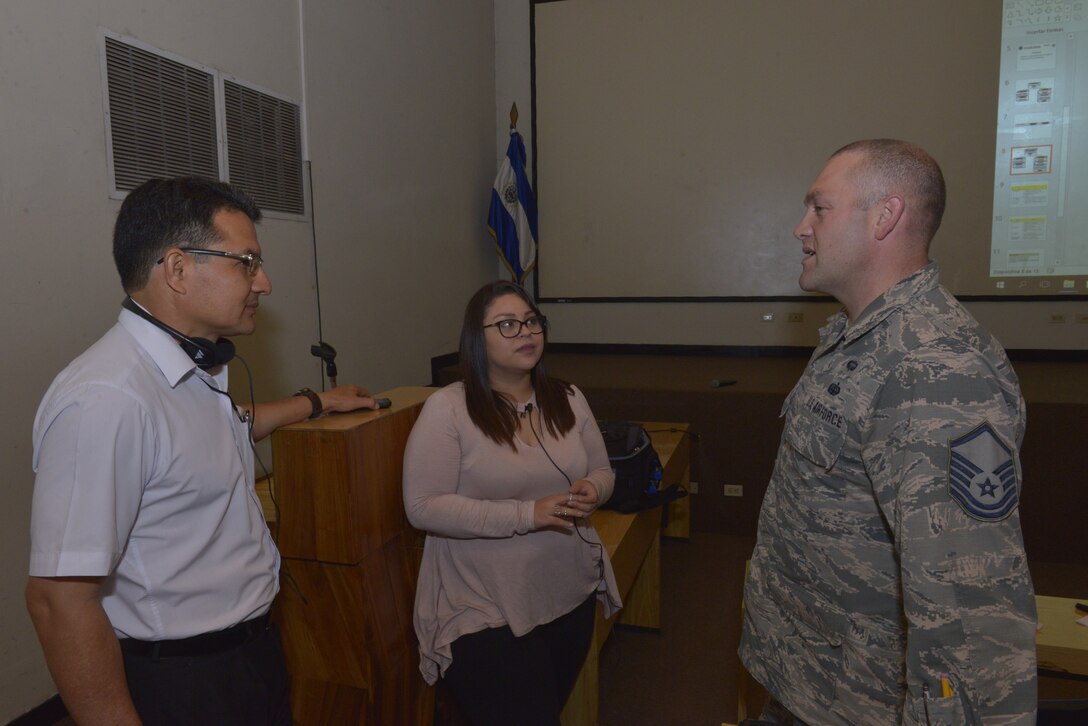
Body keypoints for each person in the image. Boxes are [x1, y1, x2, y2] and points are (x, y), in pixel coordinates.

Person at [26, 176, 380, 725]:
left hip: (252, 655)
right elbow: (58, 602)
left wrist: (315, 402)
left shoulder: (195, 366)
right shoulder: (105, 400)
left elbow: (220, 434)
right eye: (246, 262)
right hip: (184, 683)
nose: (264, 282)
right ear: (178, 268)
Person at [738, 140, 1037, 725]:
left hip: (864, 706)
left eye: (819, 208)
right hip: (813, 687)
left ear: (886, 215)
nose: (801, 228)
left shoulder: (937, 366)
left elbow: (968, 613)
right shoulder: (863, 338)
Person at [402, 280, 622, 725]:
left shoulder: (568, 398)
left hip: (567, 592)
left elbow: (603, 471)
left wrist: (594, 490)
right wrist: (528, 514)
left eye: (531, 321)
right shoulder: (448, 409)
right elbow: (423, 506)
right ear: (475, 338)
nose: (525, 332)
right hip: (486, 606)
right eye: (507, 324)